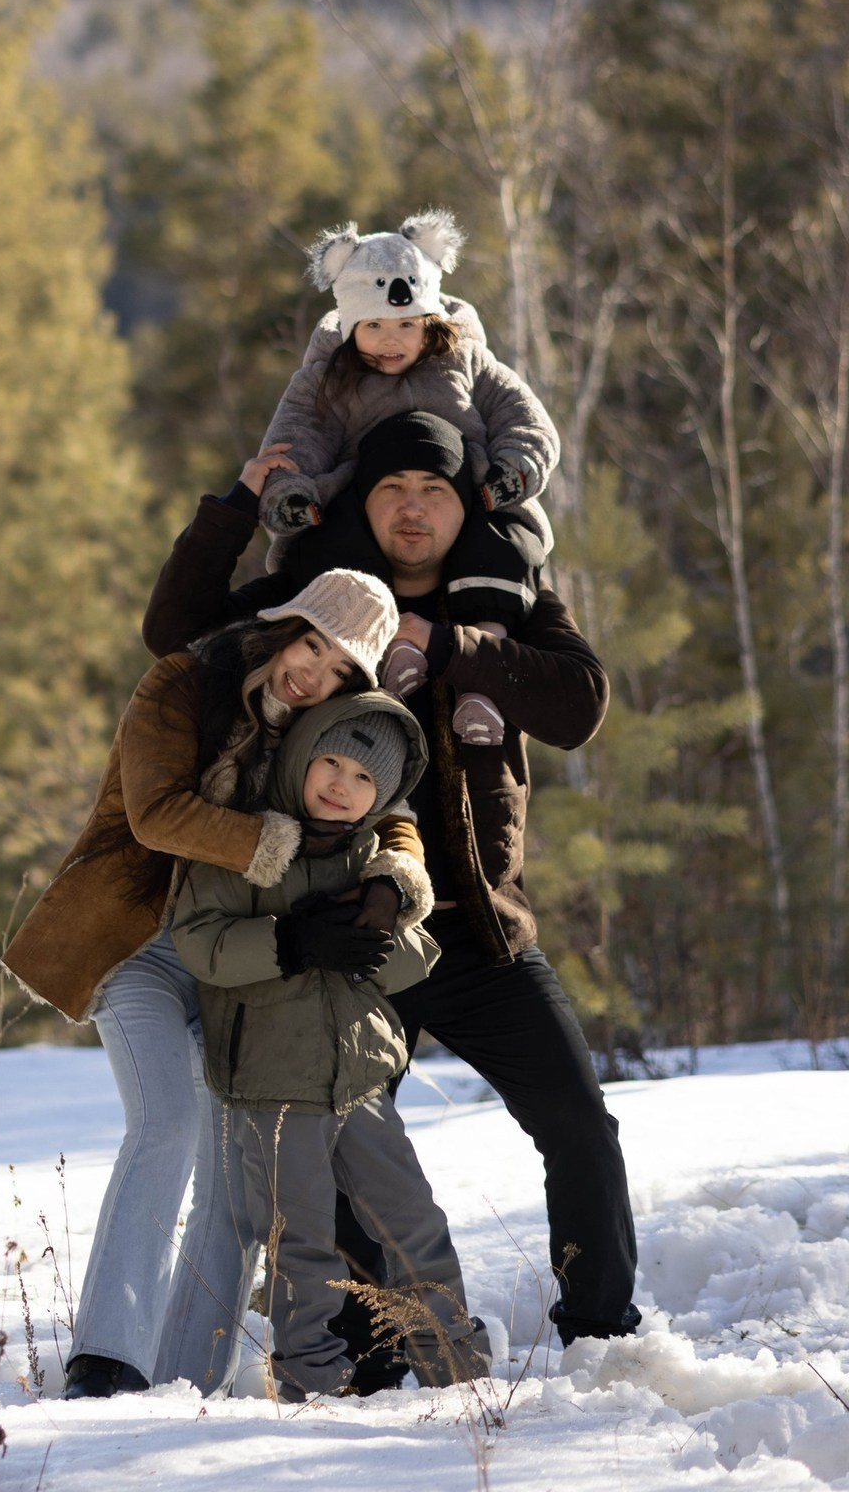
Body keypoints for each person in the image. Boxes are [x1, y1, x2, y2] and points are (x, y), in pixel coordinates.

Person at [143, 408, 640, 1376]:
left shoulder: (509, 596)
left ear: (467, 502)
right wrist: (238, 504)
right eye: (389, 490)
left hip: (479, 935)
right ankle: (367, 1356)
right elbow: (174, 631)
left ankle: (600, 1330)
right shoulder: (316, 603)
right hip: (340, 936)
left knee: (578, 1123)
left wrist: (449, 643)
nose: (411, 509)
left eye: (432, 491)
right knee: (335, 1156)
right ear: (359, 503)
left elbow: (578, 705)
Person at [2, 567, 428, 1400]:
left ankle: (189, 1378)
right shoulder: (181, 684)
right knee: (164, 1121)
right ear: (284, 629)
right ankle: (108, 1362)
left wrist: (394, 883)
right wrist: (278, 846)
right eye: (313, 646)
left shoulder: (326, 726)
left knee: (236, 1174)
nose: (316, 675)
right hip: (141, 942)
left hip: (241, 961)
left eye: (342, 671)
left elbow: (393, 815)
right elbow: (156, 812)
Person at [173, 692, 491, 1401]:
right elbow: (201, 944)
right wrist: (290, 940)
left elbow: (420, 955)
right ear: (301, 756)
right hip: (272, 1085)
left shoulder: (374, 861)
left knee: (414, 1223)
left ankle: (456, 1371)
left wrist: (376, 944)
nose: (342, 785)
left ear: (384, 796)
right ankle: (310, 1382)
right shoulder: (243, 847)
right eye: (333, 762)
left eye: (365, 779)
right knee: (302, 1244)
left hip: (361, 1081)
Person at [256, 211, 560, 748]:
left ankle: (481, 684)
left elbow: (523, 415)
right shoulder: (330, 376)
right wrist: (291, 491)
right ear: (350, 327)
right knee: (337, 541)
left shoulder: (466, 359)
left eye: (404, 325)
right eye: (372, 326)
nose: (389, 341)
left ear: (430, 319)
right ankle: (380, 644)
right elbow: (299, 435)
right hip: (368, 501)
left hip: (472, 492)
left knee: (502, 544)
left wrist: (515, 467)